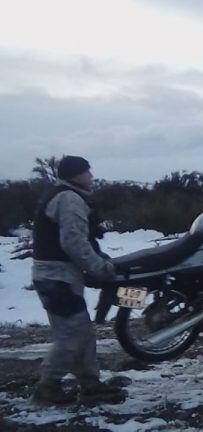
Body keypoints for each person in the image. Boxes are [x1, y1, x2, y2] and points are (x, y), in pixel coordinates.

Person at [30, 155, 126, 405]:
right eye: (87, 171)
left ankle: (90, 384)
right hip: (57, 277)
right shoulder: (69, 199)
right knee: (72, 334)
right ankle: (47, 386)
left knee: (81, 332)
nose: (91, 176)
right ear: (76, 174)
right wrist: (99, 268)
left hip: (57, 275)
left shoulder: (60, 194)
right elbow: (73, 242)